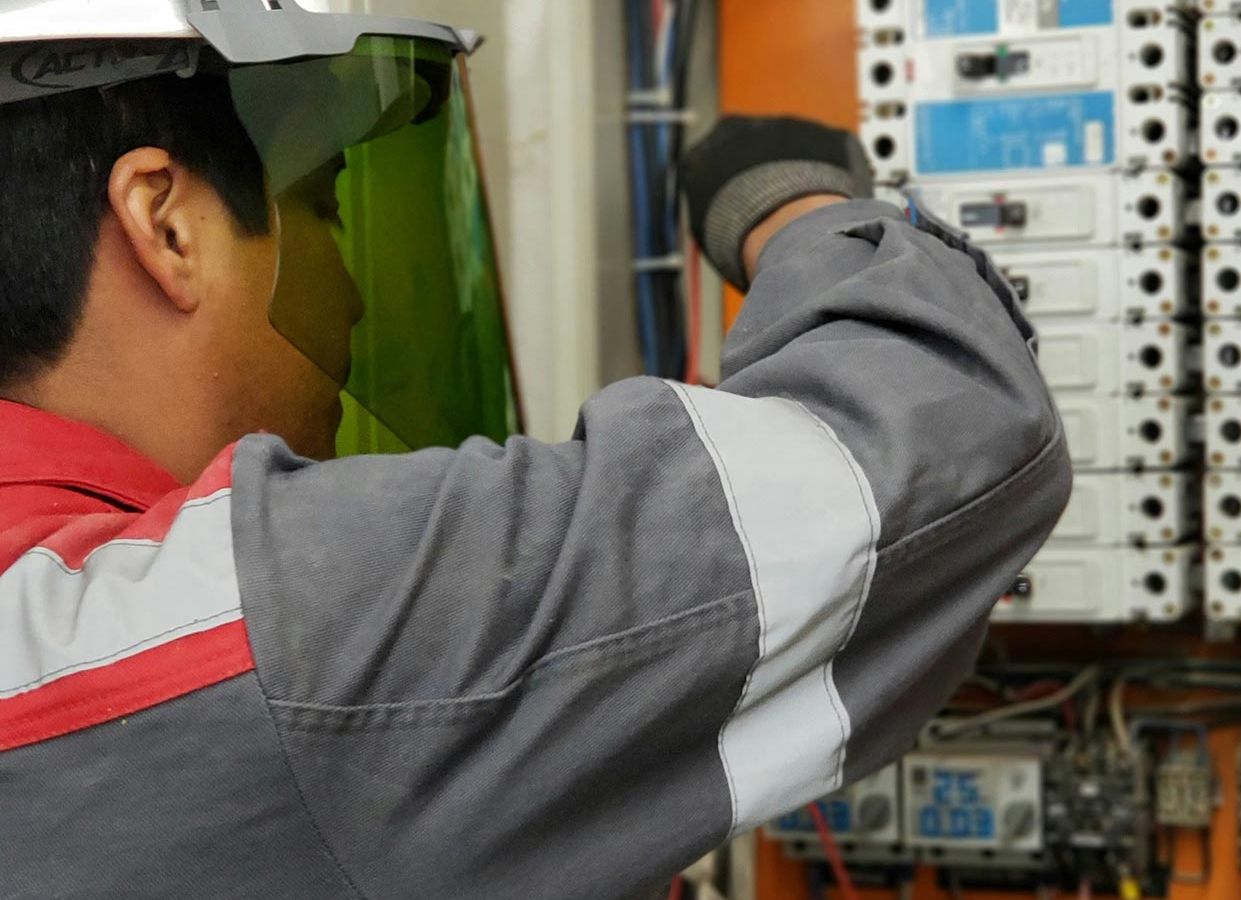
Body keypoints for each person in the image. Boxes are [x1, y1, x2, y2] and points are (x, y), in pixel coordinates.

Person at [0, 2, 1071, 898]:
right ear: (166, 223)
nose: (357, 295)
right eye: (322, 210)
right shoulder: (272, 637)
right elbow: (953, 427)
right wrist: (787, 203)